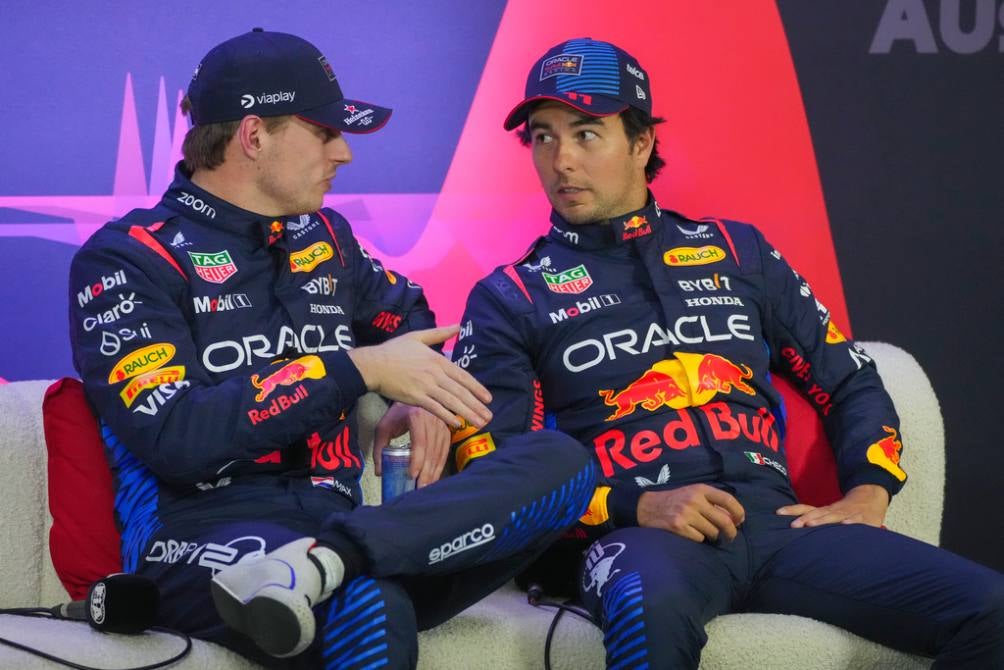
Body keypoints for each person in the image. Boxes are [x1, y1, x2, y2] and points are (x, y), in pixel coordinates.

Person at [451, 37, 1004, 668]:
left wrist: (870, 491)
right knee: (647, 611)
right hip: (638, 534)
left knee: (991, 608)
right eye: (543, 137)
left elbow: (848, 379)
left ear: (641, 142)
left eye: (586, 134)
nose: (561, 161)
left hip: (781, 527)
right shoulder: (510, 295)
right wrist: (636, 505)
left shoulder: (740, 253)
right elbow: (495, 467)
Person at [68, 29, 595, 668]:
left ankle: (329, 562)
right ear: (253, 135)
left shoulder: (326, 238)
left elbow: (411, 318)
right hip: (201, 540)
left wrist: (420, 397)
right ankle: (335, 567)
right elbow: (175, 435)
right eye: (324, 133)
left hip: (348, 530)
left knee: (562, 461)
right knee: (368, 601)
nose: (343, 152)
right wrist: (359, 368)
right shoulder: (126, 259)